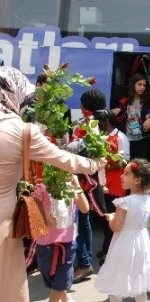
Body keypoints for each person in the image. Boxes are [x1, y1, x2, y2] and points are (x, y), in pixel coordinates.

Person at [0, 65, 102, 302]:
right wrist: (95, 164)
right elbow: (64, 159)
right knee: (9, 283)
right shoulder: (22, 131)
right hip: (4, 221)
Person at [95, 158, 150, 302]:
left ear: (137, 180)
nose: (121, 176)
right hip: (141, 241)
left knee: (118, 275)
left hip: (125, 242)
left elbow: (116, 227)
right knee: (139, 276)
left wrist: (111, 218)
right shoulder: (149, 200)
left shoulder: (124, 203)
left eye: (126, 174)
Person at [70, 88, 107, 283]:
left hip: (82, 180)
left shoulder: (86, 126)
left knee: (77, 221)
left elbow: (79, 150)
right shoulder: (99, 124)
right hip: (89, 179)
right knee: (84, 222)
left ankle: (83, 263)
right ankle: (85, 262)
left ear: (84, 106)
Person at [34, 175, 89, 302]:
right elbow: (34, 214)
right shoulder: (40, 188)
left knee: (60, 284)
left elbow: (85, 209)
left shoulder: (71, 187)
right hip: (45, 244)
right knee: (54, 282)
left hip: (67, 243)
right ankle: (67, 299)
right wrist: (46, 220)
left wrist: (78, 186)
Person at [93, 109, 130, 266]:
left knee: (112, 218)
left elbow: (125, 161)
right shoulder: (99, 137)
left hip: (115, 185)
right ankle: (107, 246)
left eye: (99, 122)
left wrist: (106, 164)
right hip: (102, 183)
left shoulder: (120, 137)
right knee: (104, 218)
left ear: (106, 122)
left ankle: (109, 250)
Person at [112, 73, 150, 161]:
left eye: (144, 85)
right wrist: (117, 112)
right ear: (133, 85)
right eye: (139, 84)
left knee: (140, 167)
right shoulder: (124, 101)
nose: (142, 87)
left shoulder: (148, 100)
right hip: (126, 140)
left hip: (142, 140)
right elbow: (116, 120)